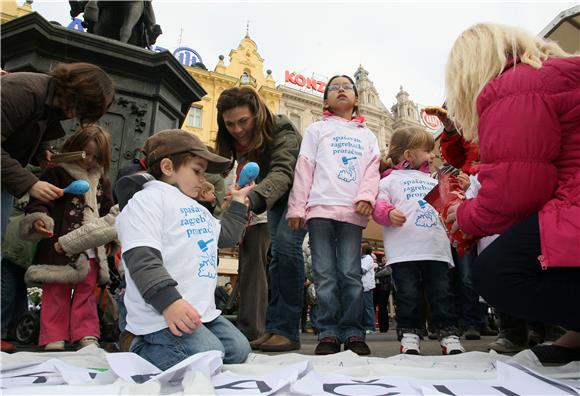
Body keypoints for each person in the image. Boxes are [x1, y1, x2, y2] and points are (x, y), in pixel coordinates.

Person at [445, 23, 580, 364]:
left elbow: (515, 193)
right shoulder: (550, 75)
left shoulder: (515, 84)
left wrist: (463, 215)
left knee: (497, 274)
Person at [116, 129, 253, 369]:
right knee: (208, 354)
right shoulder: (146, 200)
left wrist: (239, 203)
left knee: (238, 350)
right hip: (160, 313)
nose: (203, 179)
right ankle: (134, 344)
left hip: (200, 313)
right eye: (197, 171)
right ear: (168, 167)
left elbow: (225, 236)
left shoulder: (196, 207)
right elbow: (142, 258)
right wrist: (169, 303)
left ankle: (189, 345)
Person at [287, 75, 380, 355]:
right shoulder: (317, 130)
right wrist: (297, 206)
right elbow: (304, 168)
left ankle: (353, 332)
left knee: (351, 274)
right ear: (325, 98)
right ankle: (327, 331)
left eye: (347, 86)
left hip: (352, 211)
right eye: (334, 87)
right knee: (324, 274)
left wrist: (367, 196)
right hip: (319, 209)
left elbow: (372, 170)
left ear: (356, 97)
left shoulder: (367, 135)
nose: (341, 89)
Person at [216, 87, 306, 352]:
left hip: (300, 194)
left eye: (243, 121)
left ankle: (287, 331)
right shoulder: (236, 140)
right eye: (230, 124)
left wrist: (249, 199)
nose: (237, 129)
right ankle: (274, 328)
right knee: (277, 258)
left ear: (256, 113)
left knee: (287, 252)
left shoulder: (282, 129)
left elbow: (281, 172)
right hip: (277, 197)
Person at [20, 125, 115, 351]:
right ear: (74, 148)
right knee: (56, 291)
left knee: (86, 291)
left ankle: (87, 332)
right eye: (85, 153)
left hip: (91, 247)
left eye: (95, 156)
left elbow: (108, 211)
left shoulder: (103, 180)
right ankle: (53, 334)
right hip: (58, 244)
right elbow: (40, 201)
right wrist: (39, 218)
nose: (89, 160)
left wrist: (110, 241)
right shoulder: (57, 173)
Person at [372, 126, 465, 355]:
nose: (432, 155)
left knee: (442, 293)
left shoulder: (435, 178)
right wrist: (388, 213)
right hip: (405, 251)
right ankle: (410, 335)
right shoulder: (389, 181)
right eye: (427, 151)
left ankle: (449, 335)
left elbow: (451, 202)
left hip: (436, 249)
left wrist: (461, 187)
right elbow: (378, 205)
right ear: (408, 155)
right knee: (408, 294)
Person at [1, 62, 114, 238]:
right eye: (80, 107)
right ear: (74, 90)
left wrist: (41, 152)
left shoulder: (52, 101)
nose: (75, 115)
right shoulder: (23, 91)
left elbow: (29, 128)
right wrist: (30, 184)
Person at [361, 244, 376, 334]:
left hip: (367, 286)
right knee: (362, 307)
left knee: (368, 307)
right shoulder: (362, 258)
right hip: (361, 285)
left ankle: (370, 327)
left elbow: (362, 270)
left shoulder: (368, 258)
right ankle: (364, 325)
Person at [374, 255, 392, 333]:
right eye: (383, 258)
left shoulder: (389, 266)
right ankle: (373, 325)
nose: (384, 259)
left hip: (384, 289)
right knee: (374, 306)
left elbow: (387, 272)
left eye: (385, 258)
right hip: (376, 288)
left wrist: (375, 274)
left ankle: (384, 327)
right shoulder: (379, 266)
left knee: (383, 307)